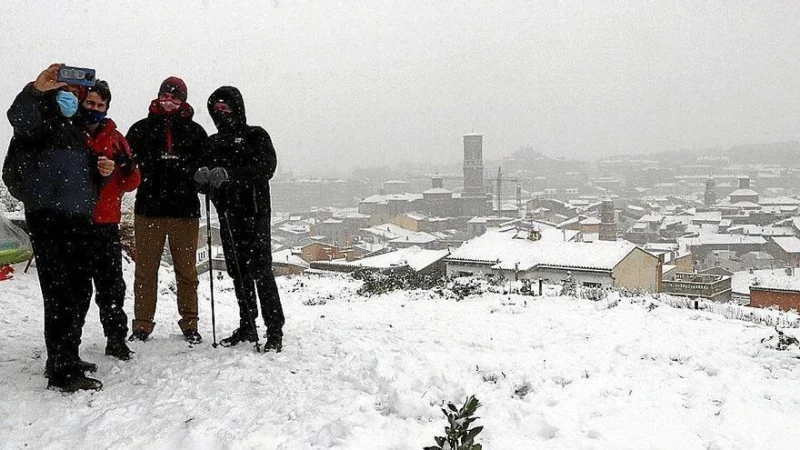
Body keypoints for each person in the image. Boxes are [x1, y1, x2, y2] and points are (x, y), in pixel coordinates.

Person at [3, 63, 112, 392]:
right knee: (61, 294)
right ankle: (63, 371)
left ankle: (67, 356)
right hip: (50, 218)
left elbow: (78, 175)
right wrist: (36, 90)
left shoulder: (77, 129)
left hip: (78, 218)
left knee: (79, 291)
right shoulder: (37, 122)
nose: (70, 98)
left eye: (73, 94)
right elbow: (19, 120)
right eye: (63, 92)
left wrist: (100, 171)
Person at [197, 86, 284, 352]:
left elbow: (265, 167)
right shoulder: (212, 142)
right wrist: (202, 179)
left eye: (226, 108)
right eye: (216, 109)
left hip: (255, 213)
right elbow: (209, 178)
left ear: (237, 108)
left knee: (261, 270)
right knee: (238, 271)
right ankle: (247, 324)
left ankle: (274, 330)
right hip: (227, 214)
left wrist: (229, 173)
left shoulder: (255, 135)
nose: (221, 113)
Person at [126, 77, 207, 344]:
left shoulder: (196, 132)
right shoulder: (140, 129)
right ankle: (142, 324)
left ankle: (190, 322)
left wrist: (204, 179)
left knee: (187, 272)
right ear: (158, 96)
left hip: (185, 212)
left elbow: (204, 168)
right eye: (165, 95)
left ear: (183, 100)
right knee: (145, 272)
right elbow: (126, 163)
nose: (169, 101)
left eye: (175, 97)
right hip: (148, 210)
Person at [74, 80, 140, 360]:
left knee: (111, 286)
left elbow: (133, 180)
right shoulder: (69, 131)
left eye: (100, 105)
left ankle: (116, 339)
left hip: (106, 222)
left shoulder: (115, 138)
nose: (95, 109)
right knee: (75, 291)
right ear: (81, 102)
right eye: (90, 103)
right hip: (73, 222)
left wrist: (120, 168)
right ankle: (68, 347)